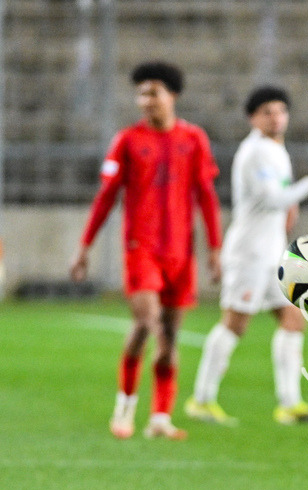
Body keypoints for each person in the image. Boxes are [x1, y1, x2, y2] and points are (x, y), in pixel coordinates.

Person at [70, 61, 222, 440]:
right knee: (147, 322)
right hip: (141, 248)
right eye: (141, 94)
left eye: (153, 92)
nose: (146, 101)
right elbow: (106, 196)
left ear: (173, 95)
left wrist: (214, 249)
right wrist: (85, 246)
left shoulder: (194, 139)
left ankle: (160, 418)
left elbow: (206, 196)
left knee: (169, 337)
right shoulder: (127, 140)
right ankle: (124, 407)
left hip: (180, 253)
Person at [185, 86, 308, 426]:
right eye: (267, 112)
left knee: (293, 319)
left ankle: (290, 404)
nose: (276, 118)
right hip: (250, 253)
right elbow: (273, 199)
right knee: (235, 322)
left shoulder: (275, 149)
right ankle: (202, 399)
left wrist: (291, 207)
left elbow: (280, 197)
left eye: (281, 111)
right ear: (252, 118)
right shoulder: (255, 152)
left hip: (272, 252)